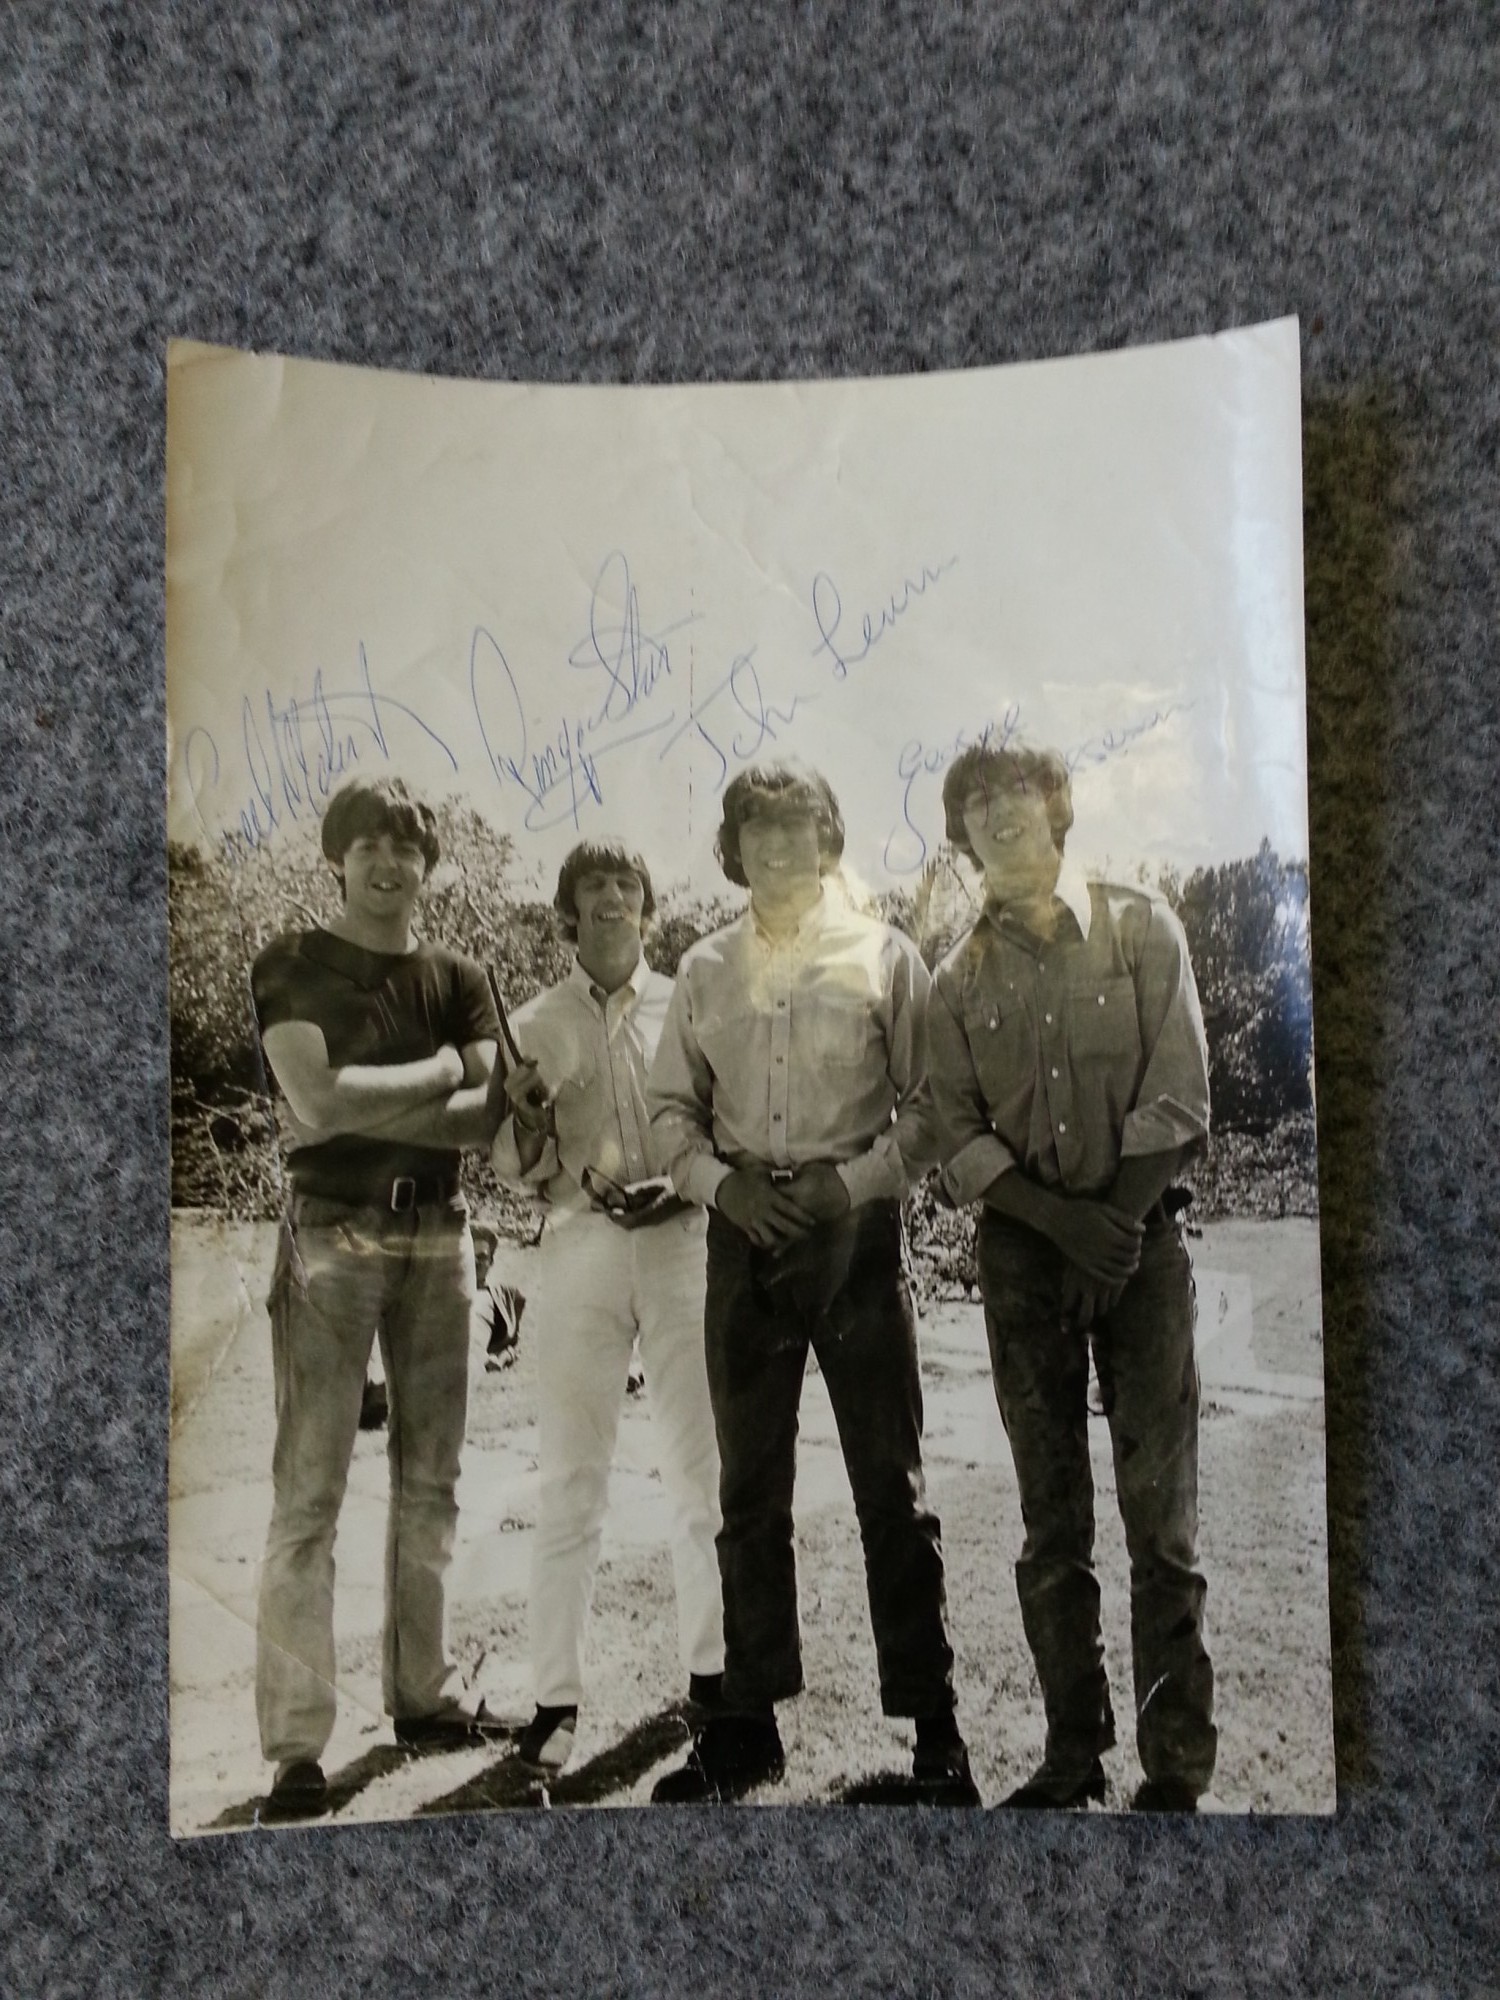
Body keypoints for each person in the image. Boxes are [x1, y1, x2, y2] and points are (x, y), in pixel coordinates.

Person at [646, 761, 974, 1805]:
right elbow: (668, 1113)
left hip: (855, 1239)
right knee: (747, 1490)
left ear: (829, 842)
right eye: (757, 831)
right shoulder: (699, 967)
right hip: (744, 1240)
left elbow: (929, 1107)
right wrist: (721, 1186)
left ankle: (936, 1736)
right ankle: (746, 1724)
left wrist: (850, 1184)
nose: (778, 850)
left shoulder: (885, 954)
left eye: (799, 831)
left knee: (893, 1485)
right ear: (732, 846)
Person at [926, 737, 1217, 1812]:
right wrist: (1066, 1230)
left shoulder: (1143, 926)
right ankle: (1071, 1753)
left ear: (1060, 811)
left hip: (1144, 1247)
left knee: (1161, 1518)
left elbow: (1179, 1097)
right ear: (962, 840)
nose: (1001, 821)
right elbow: (958, 1136)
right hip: (1024, 1257)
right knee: (1053, 1517)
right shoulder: (953, 979)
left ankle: (1176, 1764)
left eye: (1018, 799)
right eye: (977, 810)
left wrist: (1116, 1231)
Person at [249, 775, 510, 1820]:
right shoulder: (294, 962)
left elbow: (482, 1119)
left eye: (408, 846)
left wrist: (376, 1097)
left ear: (428, 863)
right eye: (369, 844)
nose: (390, 863)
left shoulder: (459, 974)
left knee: (431, 1481)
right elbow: (309, 1100)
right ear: (338, 857)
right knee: (309, 1492)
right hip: (330, 1234)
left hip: (441, 1234)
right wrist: (436, 1071)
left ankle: (424, 1697)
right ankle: (297, 1747)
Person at [490, 839, 724, 1776]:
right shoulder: (532, 1020)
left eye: (629, 887)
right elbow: (516, 1167)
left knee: (700, 1474)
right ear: (568, 917)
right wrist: (532, 1121)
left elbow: (721, 1122)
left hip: (681, 1244)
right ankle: (556, 1699)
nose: (614, 904)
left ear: (649, 907)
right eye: (595, 892)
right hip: (582, 1246)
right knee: (570, 1480)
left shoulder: (691, 998)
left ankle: (713, 1680)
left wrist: (683, 1187)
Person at [470, 1220, 524, 1372]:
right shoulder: (442, 1293)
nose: (475, 1262)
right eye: (470, 1255)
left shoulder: (498, 1298)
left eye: (481, 1257)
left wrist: (501, 1358)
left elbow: (511, 1347)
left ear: (491, 1261)